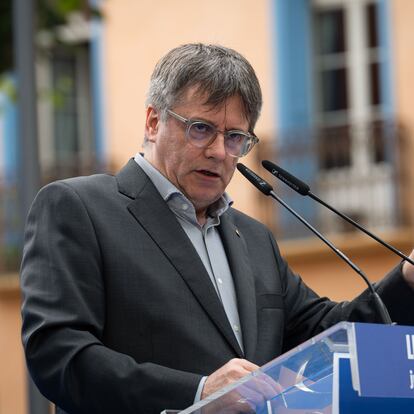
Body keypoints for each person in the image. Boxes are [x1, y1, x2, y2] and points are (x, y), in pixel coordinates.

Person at [20, 43, 414, 414]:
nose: (218, 151)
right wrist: (199, 394)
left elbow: (327, 336)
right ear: (154, 121)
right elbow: (59, 355)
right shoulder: (79, 207)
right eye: (201, 129)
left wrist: (408, 279)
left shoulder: (254, 238)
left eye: (235, 137)